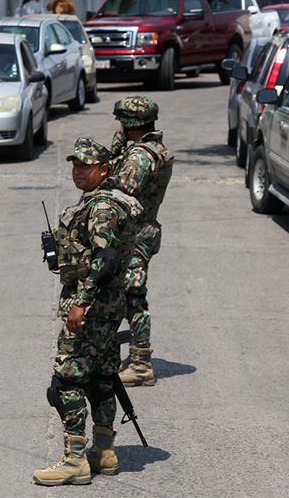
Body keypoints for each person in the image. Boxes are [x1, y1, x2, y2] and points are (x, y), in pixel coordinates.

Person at [33, 138, 142, 487]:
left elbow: (106, 259)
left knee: (65, 380)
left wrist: (80, 302)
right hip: (109, 308)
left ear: (104, 169)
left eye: (86, 166)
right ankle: (104, 452)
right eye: (75, 165)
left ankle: (75, 460)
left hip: (92, 307)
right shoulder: (104, 202)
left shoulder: (101, 209)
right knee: (102, 375)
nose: (78, 171)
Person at [109, 96, 174, 388]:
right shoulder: (148, 149)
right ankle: (135, 358)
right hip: (139, 231)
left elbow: (117, 188)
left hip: (135, 234)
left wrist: (112, 153)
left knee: (134, 297)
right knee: (128, 295)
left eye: (122, 122)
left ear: (130, 124)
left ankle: (141, 364)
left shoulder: (140, 156)